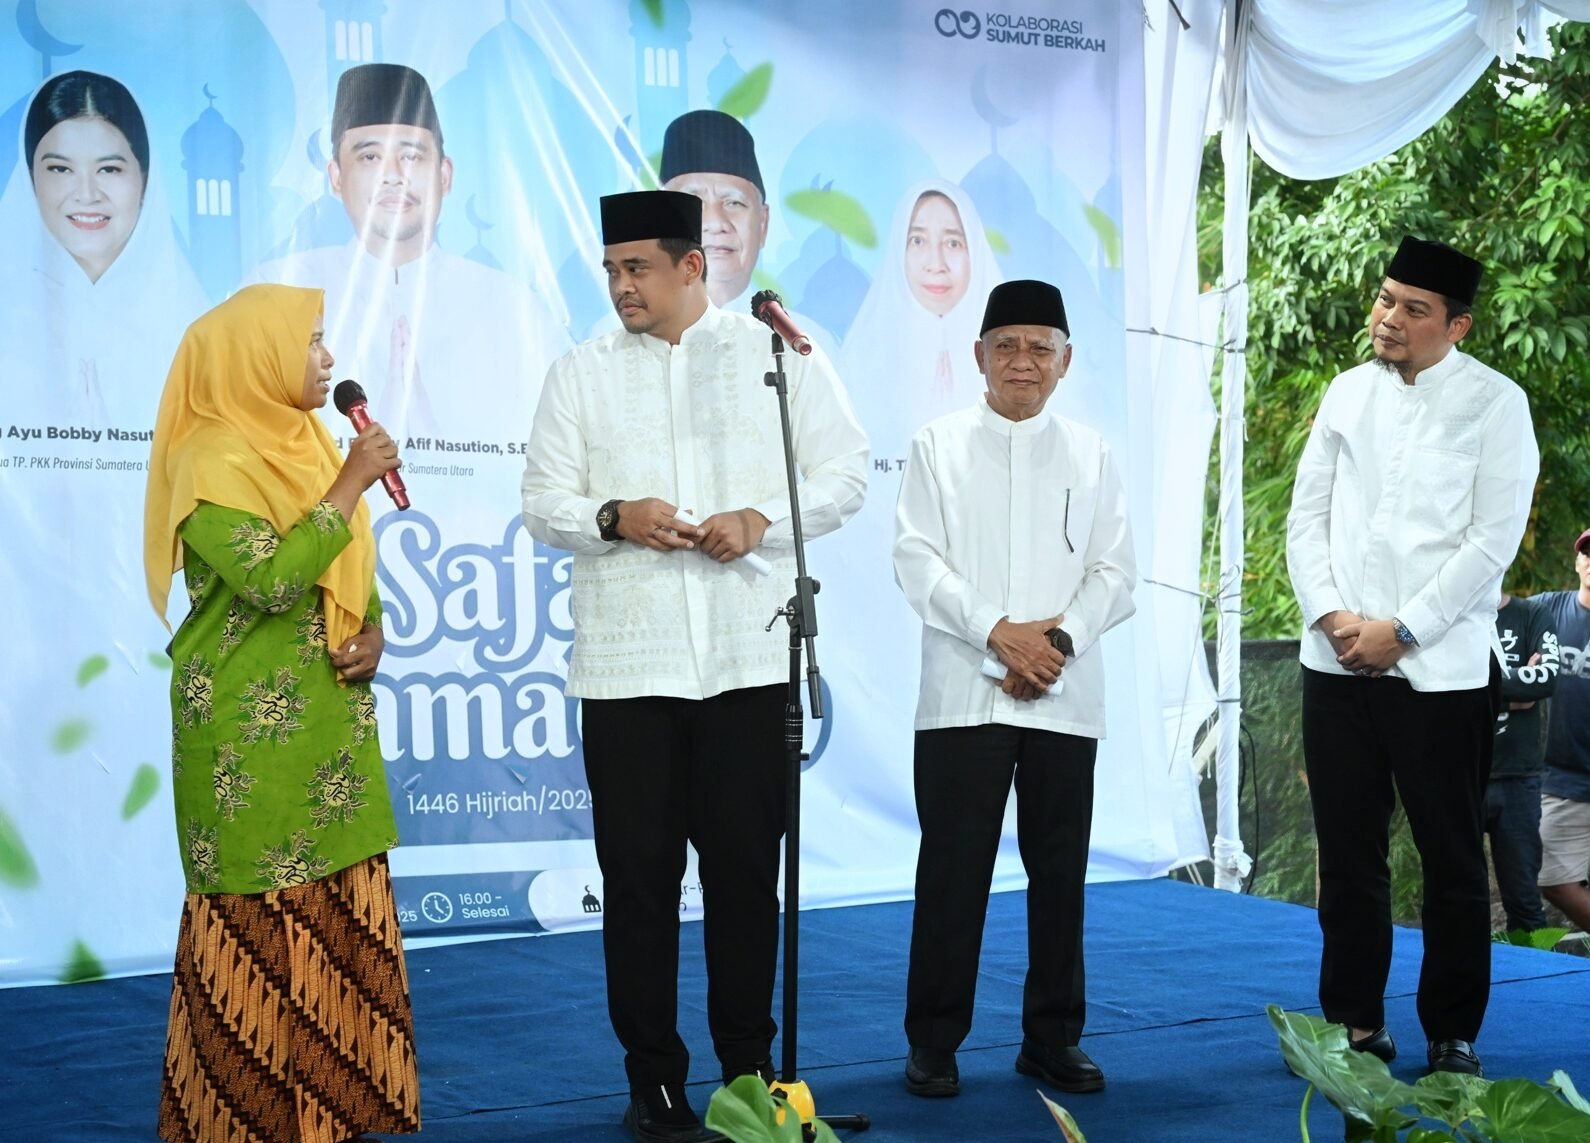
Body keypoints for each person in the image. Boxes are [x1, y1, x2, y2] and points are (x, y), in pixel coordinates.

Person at [521, 189, 867, 1142]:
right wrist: (611, 516)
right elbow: (542, 500)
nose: (622, 286)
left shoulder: (773, 357)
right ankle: (655, 1079)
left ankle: (747, 1070)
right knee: (636, 881)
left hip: (747, 664)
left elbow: (847, 471)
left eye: (638, 268)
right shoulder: (579, 374)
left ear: (692, 266)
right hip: (628, 675)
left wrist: (761, 518)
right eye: (611, 271)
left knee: (747, 875)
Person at [144, 284, 420, 1141]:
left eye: (324, 340)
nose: (328, 359)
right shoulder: (208, 460)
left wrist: (374, 631)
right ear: (253, 355)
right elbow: (269, 578)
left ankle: (337, 1115)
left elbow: (349, 568)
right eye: (310, 342)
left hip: (327, 729)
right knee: (254, 933)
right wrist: (349, 478)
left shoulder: (302, 440)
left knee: (337, 922)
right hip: (242, 740)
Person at [1285, 235, 1538, 1078]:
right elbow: (1305, 519)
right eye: (1386, 299)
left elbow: (1489, 542)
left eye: (1412, 308)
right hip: (1336, 666)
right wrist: (1332, 616)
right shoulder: (1345, 393)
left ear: (1457, 325)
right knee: (1349, 857)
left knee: (1453, 861)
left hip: (1440, 676)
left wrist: (1403, 629)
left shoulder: (1497, 405)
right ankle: (1354, 1022)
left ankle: (1451, 1032)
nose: (1388, 318)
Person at [892, 279, 1135, 1099]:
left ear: (1065, 362)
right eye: (1006, 346)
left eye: (1039, 347)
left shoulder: (1092, 452)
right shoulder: (937, 443)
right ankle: (933, 1040)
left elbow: (1116, 573)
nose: (1022, 362)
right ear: (979, 357)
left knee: (1061, 871)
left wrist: (1054, 644)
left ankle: (1052, 1038)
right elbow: (917, 560)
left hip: (1061, 691)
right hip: (965, 689)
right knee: (953, 871)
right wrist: (1001, 630)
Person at [252, 62, 569, 443]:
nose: (394, 175)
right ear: (336, 177)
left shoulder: (513, 307)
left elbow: (563, 449)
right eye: (370, 157)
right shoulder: (275, 291)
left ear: (445, 175)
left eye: (413, 156)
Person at [0, 69, 207, 427]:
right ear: (30, 178)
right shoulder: (9, 312)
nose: (87, 194)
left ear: (145, 179)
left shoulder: (195, 328)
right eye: (60, 169)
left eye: (109, 169)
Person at [842, 179, 1002, 463]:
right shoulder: (861, 357)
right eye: (917, 240)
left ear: (974, 250)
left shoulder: (1012, 358)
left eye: (953, 243)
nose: (935, 263)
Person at [1488, 591, 1559, 933]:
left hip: (1519, 778)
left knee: (1524, 901)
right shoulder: (1454, 617)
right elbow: (1437, 687)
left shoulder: (1532, 614)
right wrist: (1514, 694)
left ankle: (1535, 977)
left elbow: (1547, 678)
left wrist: (1478, 697)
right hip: (1461, 776)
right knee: (1455, 894)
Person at [1536, 530, 1590, 930]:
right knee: (1553, 881)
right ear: (1577, 563)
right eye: (1587, 553)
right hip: (1562, 779)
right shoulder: (1546, 611)